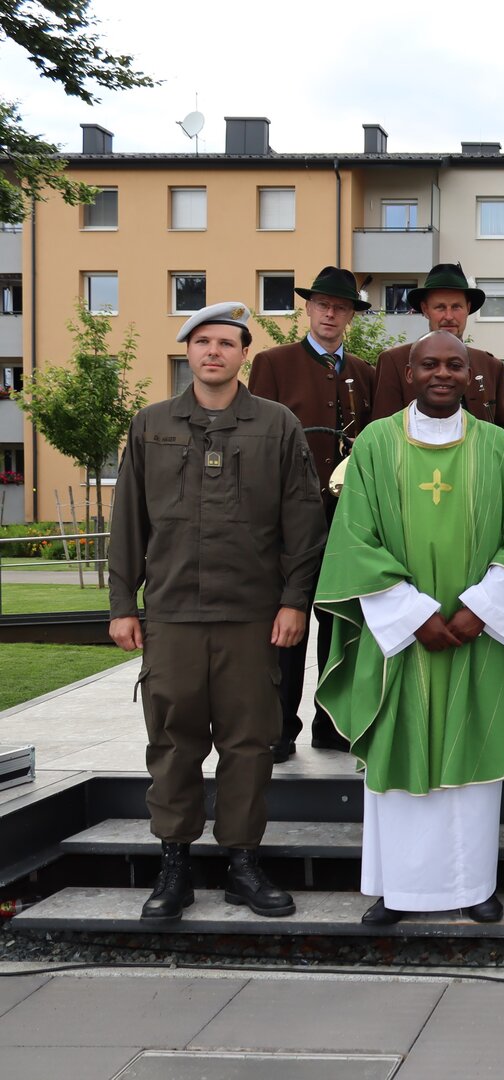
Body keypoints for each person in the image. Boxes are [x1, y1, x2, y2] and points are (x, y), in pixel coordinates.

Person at [314, 330, 504, 926]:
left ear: (472, 376)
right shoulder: (374, 443)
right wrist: (414, 615)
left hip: (475, 634)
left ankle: (474, 885)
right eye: (430, 364)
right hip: (401, 638)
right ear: (409, 373)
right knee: (399, 755)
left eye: (455, 365)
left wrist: (481, 608)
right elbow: (355, 537)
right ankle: (400, 889)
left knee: (472, 759)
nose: (443, 374)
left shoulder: (498, 447)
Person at [109, 301, 326, 922]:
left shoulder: (277, 424)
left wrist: (294, 601)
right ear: (187, 351)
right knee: (172, 743)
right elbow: (128, 519)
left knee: (249, 745)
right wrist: (123, 603)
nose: (213, 352)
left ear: (244, 354)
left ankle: (242, 864)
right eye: (203, 341)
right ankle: (174, 864)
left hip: (251, 617)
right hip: (172, 614)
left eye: (226, 343)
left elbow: (303, 521)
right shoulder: (151, 425)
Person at [248, 265, 376, 760]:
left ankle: (331, 723)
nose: (330, 314)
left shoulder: (364, 371)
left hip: (345, 519)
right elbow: (258, 441)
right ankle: (279, 726)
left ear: (350, 316)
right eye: (323, 304)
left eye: (340, 307)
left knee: (338, 622)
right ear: (308, 308)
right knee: (286, 623)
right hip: (288, 520)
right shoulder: (273, 362)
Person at [373, 262, 504, 428]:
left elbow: (502, 430)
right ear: (425, 310)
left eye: (456, 307)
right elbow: (383, 432)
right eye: (440, 307)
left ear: (468, 308)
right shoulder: (394, 362)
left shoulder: (491, 366)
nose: (449, 316)